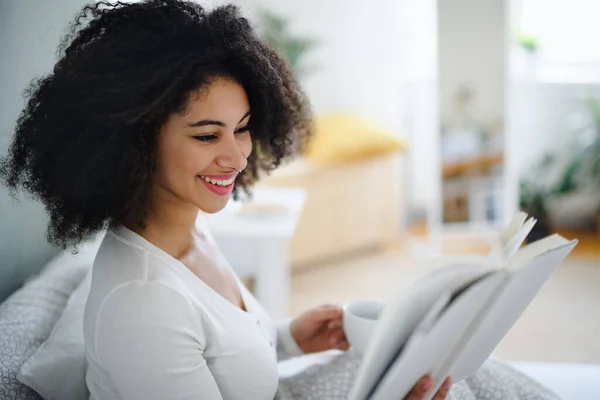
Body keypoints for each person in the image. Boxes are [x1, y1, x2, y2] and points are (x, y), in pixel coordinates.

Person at [0, 1, 451, 399]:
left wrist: (287, 338)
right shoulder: (142, 304)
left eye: (242, 128)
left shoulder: (188, 228)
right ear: (133, 144)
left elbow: (212, 355)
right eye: (207, 134)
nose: (237, 156)